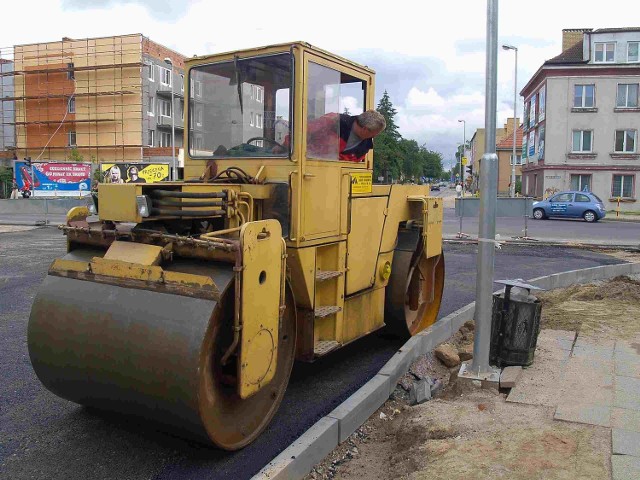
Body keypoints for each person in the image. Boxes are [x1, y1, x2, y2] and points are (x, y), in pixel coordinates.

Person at [275, 109, 386, 162]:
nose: (373, 137)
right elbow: (302, 132)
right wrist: (284, 147)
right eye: (374, 134)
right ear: (365, 129)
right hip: (305, 166)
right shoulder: (333, 121)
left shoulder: (365, 146)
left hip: (331, 177)